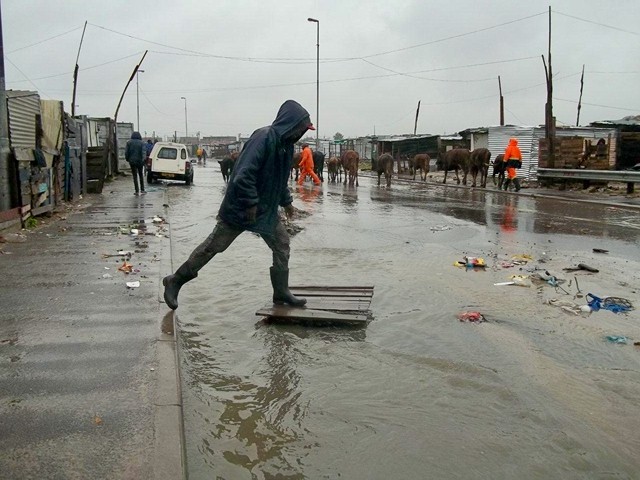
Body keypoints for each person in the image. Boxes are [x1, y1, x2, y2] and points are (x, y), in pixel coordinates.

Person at [162, 99, 316, 310]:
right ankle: (175, 280)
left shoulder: (286, 148)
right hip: (242, 208)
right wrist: (250, 203)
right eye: (300, 129)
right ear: (289, 124)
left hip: (265, 212)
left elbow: (280, 180)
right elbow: (243, 175)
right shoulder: (263, 138)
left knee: (282, 244)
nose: (301, 134)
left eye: (304, 131)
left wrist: (287, 203)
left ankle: (281, 291)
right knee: (213, 247)